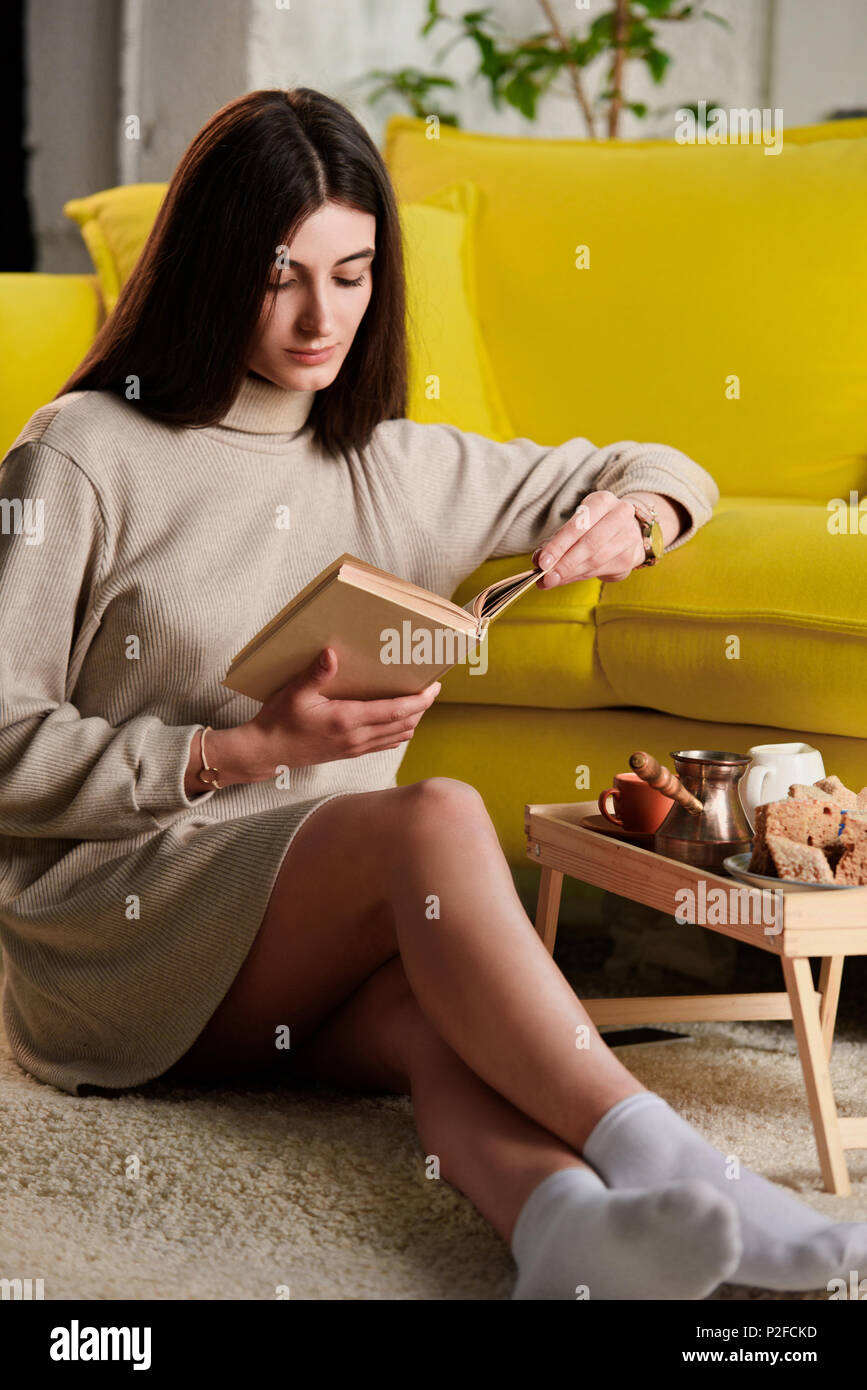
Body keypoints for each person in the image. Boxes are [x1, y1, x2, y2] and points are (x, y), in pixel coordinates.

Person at [1, 86, 864, 1302]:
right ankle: (679, 1156)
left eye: (353, 275)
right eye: (282, 274)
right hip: (112, 934)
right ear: (208, 267)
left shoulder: (395, 463)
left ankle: (558, 1225)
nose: (321, 317)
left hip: (290, 962)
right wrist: (237, 753)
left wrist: (640, 515)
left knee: (430, 1008)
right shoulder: (82, 451)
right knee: (436, 815)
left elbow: (660, 462)